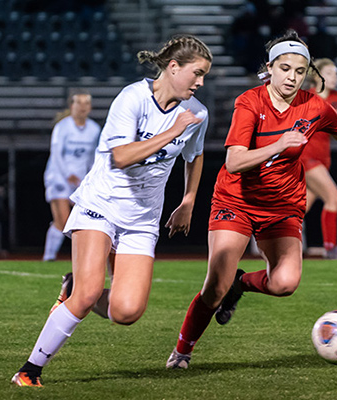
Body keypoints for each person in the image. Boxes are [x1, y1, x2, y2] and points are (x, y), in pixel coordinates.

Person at [166, 30, 337, 370]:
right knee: (214, 286)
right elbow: (234, 161)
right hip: (237, 200)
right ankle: (182, 351)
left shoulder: (313, 105)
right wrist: (278, 145)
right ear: (270, 68)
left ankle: (242, 283)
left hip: (282, 205)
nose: (292, 77)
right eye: (285, 68)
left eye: (299, 70)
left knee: (284, 283)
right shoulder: (250, 102)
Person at [11, 35, 213, 387]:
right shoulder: (132, 98)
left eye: (205, 76)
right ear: (173, 67)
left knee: (127, 311)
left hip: (142, 219)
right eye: (197, 73)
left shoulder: (197, 113)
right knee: (88, 295)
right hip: (101, 206)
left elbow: (194, 156)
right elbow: (120, 157)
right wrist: (173, 131)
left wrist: (189, 200)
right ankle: (30, 370)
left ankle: (72, 287)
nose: (200, 83)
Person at [42, 90, 100, 262]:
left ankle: (83, 258)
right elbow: (56, 153)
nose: (82, 107)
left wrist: (90, 178)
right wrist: (68, 174)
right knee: (62, 220)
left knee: (85, 220)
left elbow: (94, 157)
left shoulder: (94, 129)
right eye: (79, 103)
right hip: (59, 177)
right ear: (71, 106)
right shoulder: (62, 127)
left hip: (81, 180)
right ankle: (49, 257)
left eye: (86, 103)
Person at [301, 58, 337, 258]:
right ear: (318, 77)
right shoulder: (306, 98)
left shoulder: (336, 97)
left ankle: (271, 232)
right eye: (330, 73)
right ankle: (330, 249)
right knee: (333, 197)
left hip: (323, 158)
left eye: (335, 73)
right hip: (307, 156)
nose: (335, 77)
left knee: (300, 207)